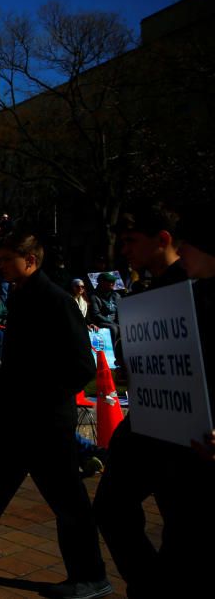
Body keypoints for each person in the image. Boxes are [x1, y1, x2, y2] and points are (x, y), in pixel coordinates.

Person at [0, 230, 110, 599]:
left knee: (69, 501)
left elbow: (82, 366)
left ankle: (91, 574)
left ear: (29, 260)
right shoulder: (21, 297)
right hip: (16, 419)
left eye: (6, 259)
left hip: (45, 422)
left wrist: (37, 390)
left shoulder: (56, 301)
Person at [93, 203, 194, 597]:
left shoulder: (191, 285)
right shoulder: (146, 288)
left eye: (132, 241)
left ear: (163, 239)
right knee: (113, 507)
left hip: (182, 429)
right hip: (149, 419)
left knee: (180, 525)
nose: (125, 251)